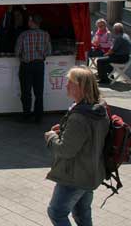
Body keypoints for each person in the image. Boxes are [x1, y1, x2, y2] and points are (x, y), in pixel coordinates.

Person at [44, 67, 110, 226]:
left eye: (70, 83)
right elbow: (87, 138)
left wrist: (51, 137)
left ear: (82, 87)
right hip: (91, 171)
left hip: (75, 175)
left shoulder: (80, 116)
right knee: (82, 213)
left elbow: (65, 150)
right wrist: (66, 131)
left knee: (56, 212)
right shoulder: (99, 109)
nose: (66, 86)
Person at [15, 14, 52, 122]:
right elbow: (49, 51)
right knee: (39, 92)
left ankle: (26, 115)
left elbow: (17, 52)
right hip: (39, 65)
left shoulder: (24, 35)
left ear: (32, 22)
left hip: (26, 65)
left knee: (26, 92)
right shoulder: (45, 35)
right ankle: (38, 116)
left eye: (29, 20)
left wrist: (22, 56)